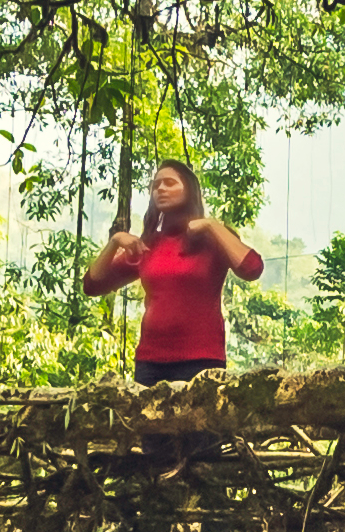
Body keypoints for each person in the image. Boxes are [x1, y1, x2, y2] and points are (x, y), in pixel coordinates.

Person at [82, 158, 263, 382]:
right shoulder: (148, 245)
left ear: (189, 190)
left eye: (169, 183)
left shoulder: (212, 239)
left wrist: (211, 225)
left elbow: (252, 268)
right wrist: (115, 241)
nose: (160, 189)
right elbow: (92, 285)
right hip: (151, 363)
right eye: (155, 185)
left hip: (202, 360)